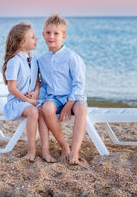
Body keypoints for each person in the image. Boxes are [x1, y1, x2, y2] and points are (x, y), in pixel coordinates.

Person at [38, 14, 87, 165]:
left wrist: (70, 103)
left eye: (56, 33)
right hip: (55, 98)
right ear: (43, 34)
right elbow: (43, 85)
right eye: (48, 32)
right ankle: (65, 147)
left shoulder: (71, 57)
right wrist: (38, 98)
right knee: (46, 108)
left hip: (73, 97)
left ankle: (75, 152)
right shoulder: (42, 60)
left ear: (64, 36)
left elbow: (79, 83)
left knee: (82, 109)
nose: (51, 36)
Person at [2, 21, 41, 162]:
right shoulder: (15, 61)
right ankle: (31, 150)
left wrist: (36, 92)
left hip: (30, 100)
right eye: (32, 37)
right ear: (21, 42)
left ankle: (45, 148)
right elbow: (11, 88)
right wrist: (28, 101)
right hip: (17, 102)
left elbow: (38, 81)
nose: (36, 39)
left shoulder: (34, 59)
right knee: (33, 111)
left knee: (46, 107)